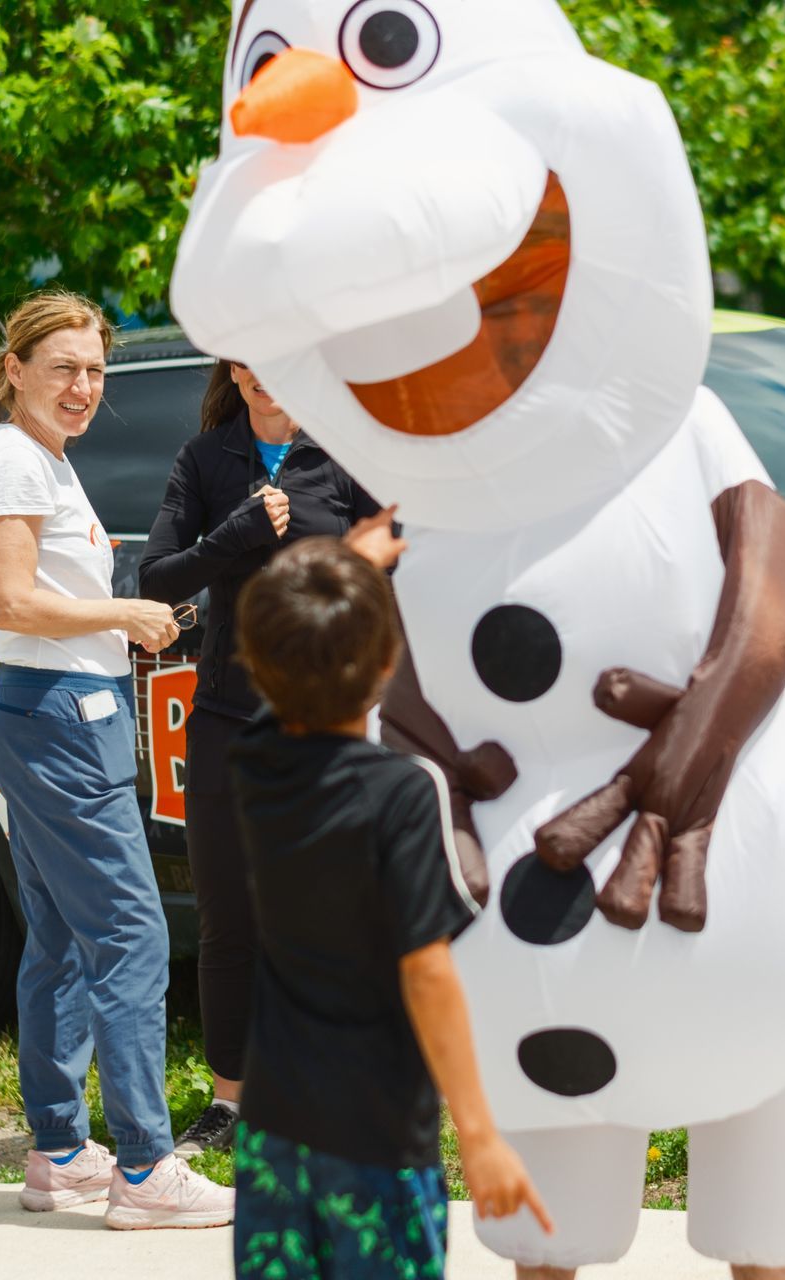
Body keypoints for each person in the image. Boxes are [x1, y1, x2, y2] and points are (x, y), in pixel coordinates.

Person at [0, 290, 234, 1230]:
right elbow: (11, 602)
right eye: (64, 369)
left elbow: (41, 603)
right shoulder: (14, 464)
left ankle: (62, 1153)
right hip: (61, 722)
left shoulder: (42, 459)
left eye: (94, 371)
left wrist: (127, 631)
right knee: (131, 936)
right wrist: (124, 615)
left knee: (65, 940)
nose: (84, 387)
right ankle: (149, 1171)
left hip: (54, 712)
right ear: (15, 371)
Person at [226, 535, 552, 1277]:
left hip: (273, 1125)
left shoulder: (253, 766)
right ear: (385, 666)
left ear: (257, 663)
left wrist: (348, 564)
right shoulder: (404, 793)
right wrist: (479, 1134)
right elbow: (426, 971)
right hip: (375, 1137)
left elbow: (273, 692)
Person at [138, 359, 379, 1156]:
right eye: (255, 356)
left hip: (324, 727)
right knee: (229, 920)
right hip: (227, 721)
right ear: (234, 368)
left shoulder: (343, 458)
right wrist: (231, 537)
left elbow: (397, 564)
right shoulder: (204, 461)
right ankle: (231, 1104)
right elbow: (159, 579)